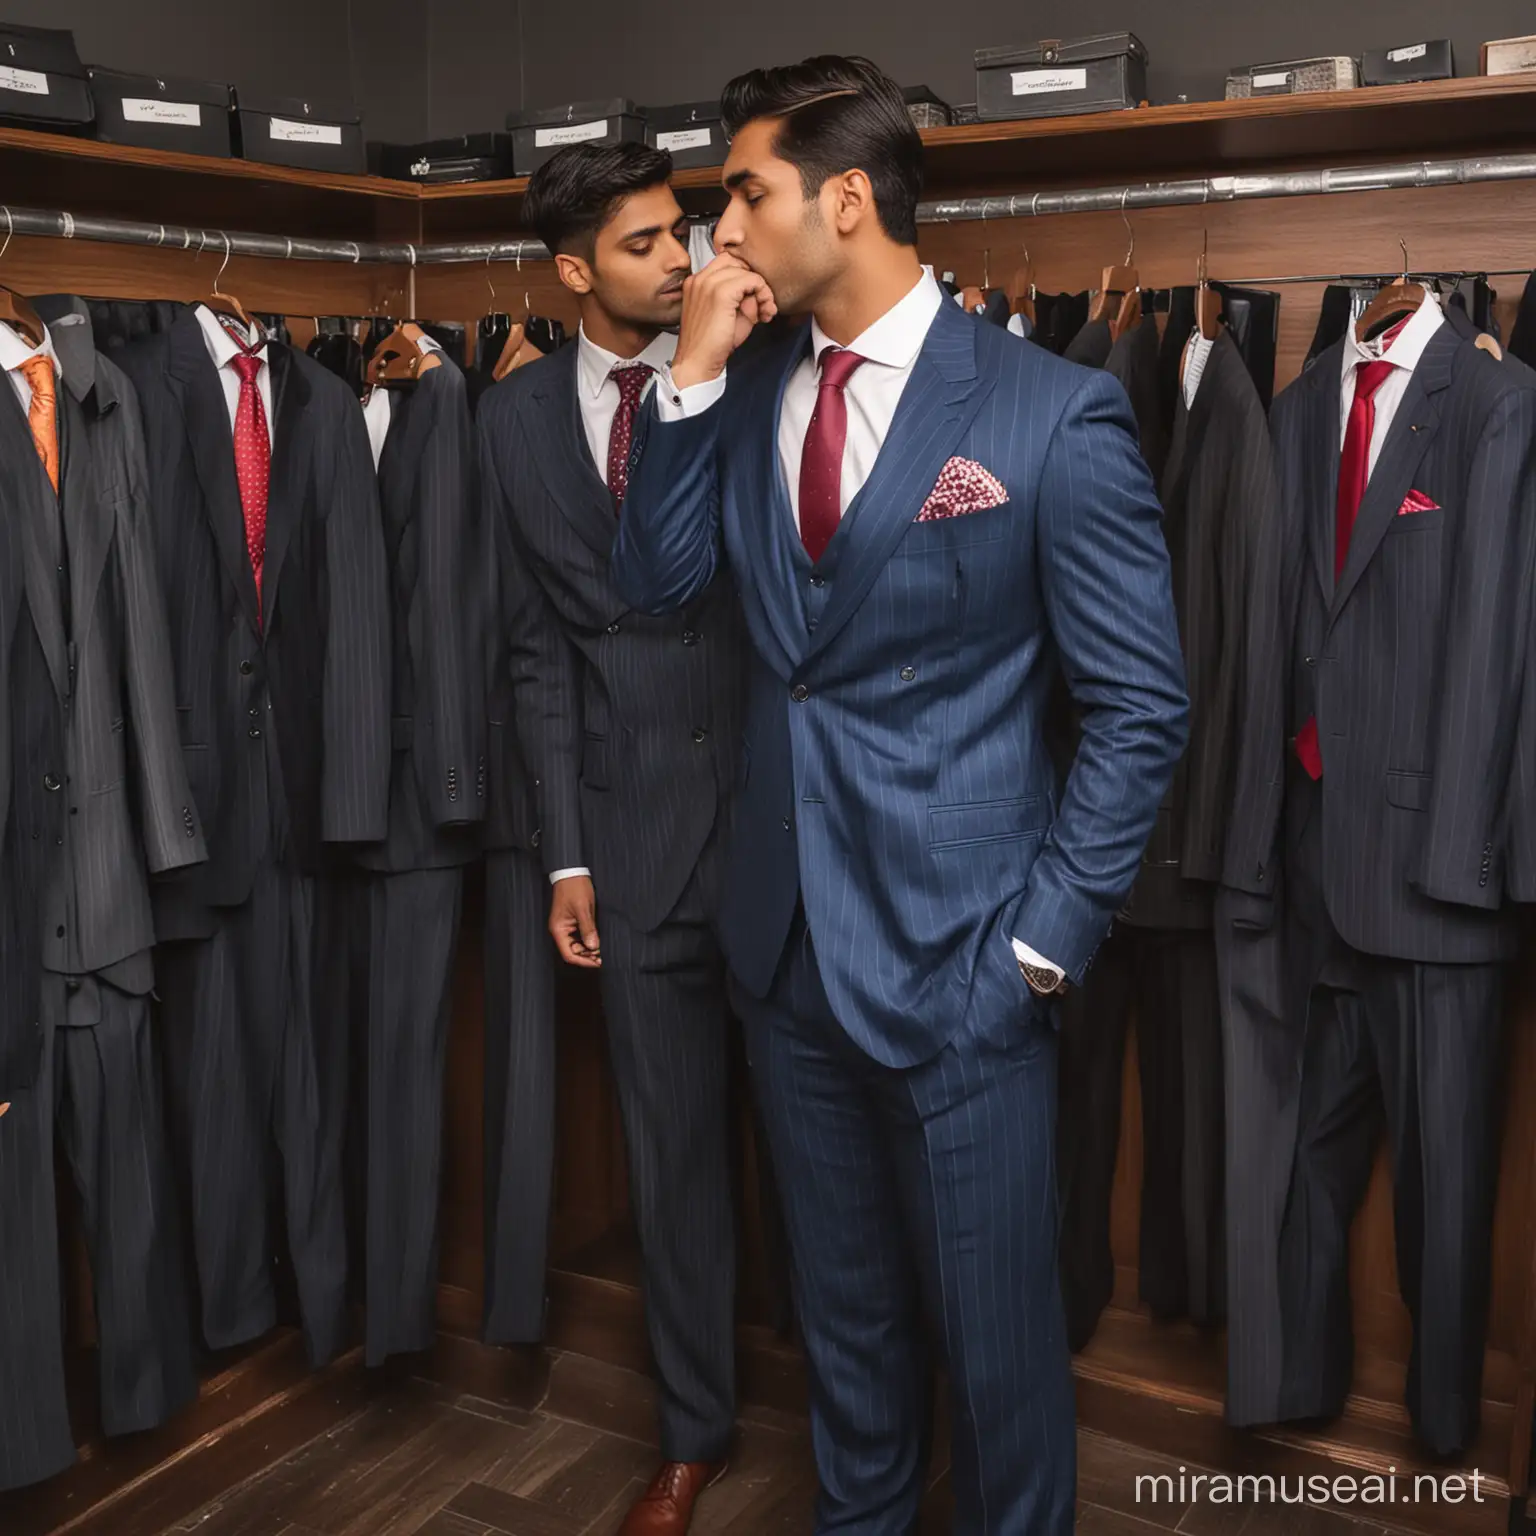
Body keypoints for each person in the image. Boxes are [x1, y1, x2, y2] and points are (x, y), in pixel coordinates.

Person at [612, 56, 1189, 1535]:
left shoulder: (1050, 416)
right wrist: (685, 369)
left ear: (846, 198)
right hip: (787, 960)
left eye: (743, 192)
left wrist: (1038, 949)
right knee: (848, 1360)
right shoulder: (738, 402)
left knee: (999, 1374)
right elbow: (659, 586)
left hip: (967, 974)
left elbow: (1140, 710)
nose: (715, 230)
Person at [478, 142, 750, 1536]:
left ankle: (882, 1425)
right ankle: (693, 1431)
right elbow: (535, 656)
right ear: (575, 270)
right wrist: (566, 854)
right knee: (673, 1157)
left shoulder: (761, 368)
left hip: (778, 827)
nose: (683, 258)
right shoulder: (514, 421)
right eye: (647, 243)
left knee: (833, 1151)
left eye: (684, 230)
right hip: (629, 841)